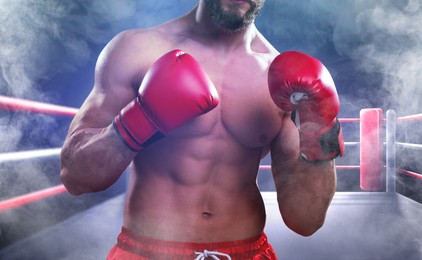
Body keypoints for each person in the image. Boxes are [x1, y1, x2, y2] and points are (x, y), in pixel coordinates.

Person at [60, 0, 344, 259]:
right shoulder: (137, 50)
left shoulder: (280, 77)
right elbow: (76, 177)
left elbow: (306, 219)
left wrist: (320, 127)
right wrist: (140, 118)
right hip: (149, 252)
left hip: (246, 252)